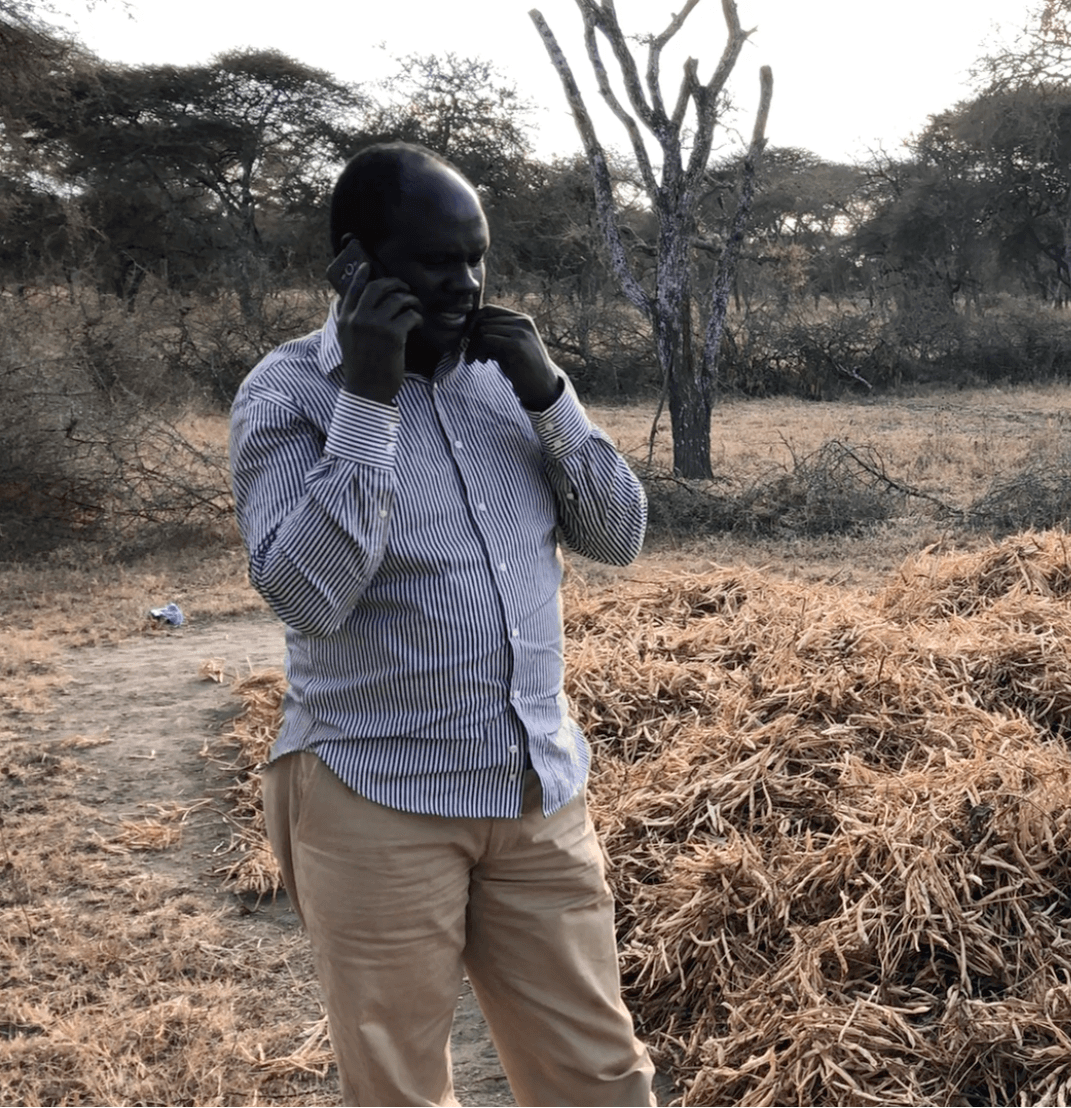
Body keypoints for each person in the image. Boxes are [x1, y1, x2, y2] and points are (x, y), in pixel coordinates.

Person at [228, 142, 656, 1106]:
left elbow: (619, 534)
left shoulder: (511, 375)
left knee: (600, 1075)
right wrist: (371, 397)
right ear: (354, 264)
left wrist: (549, 392)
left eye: (477, 259)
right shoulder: (289, 394)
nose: (464, 286)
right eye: (433, 262)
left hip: (534, 789)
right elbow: (306, 591)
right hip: (376, 792)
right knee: (400, 1089)